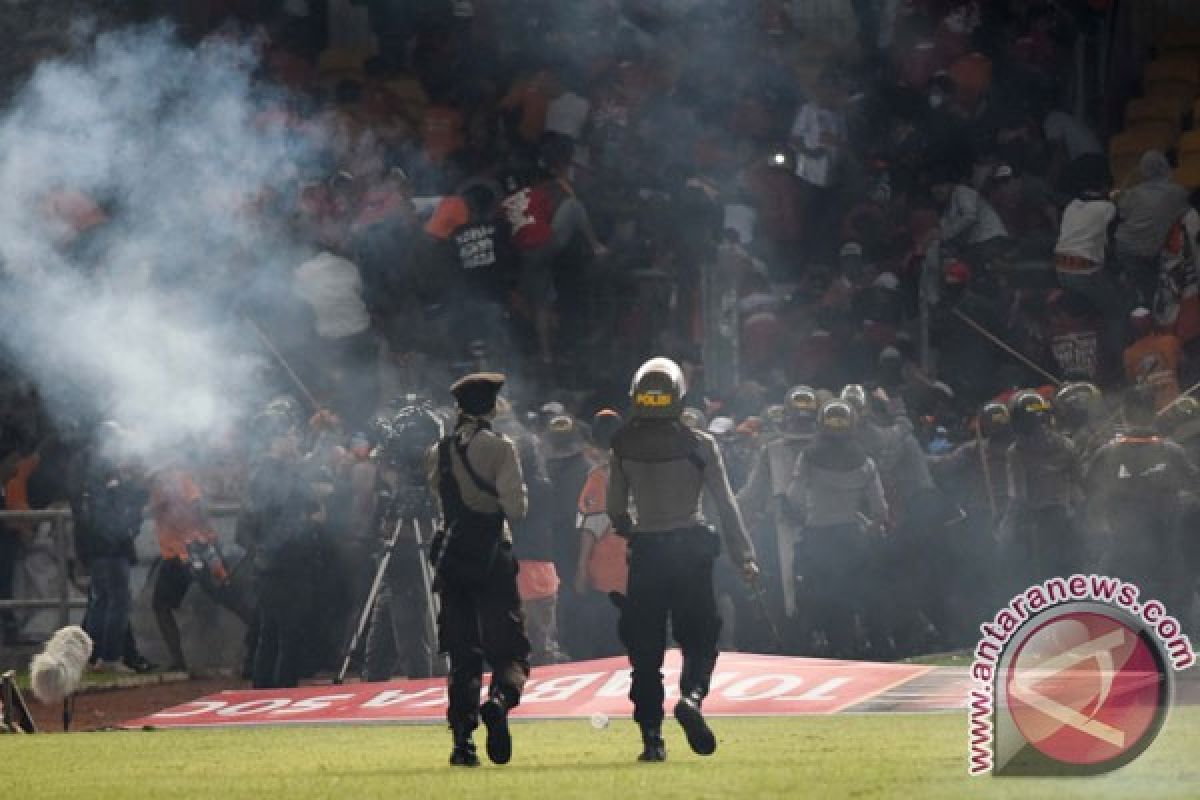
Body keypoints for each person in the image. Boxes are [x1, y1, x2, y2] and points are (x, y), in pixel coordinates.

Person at [607, 357, 758, 763]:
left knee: (644, 650)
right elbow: (727, 506)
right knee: (700, 638)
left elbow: (615, 508)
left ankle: (652, 739)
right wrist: (745, 557)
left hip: (647, 552)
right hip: (691, 549)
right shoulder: (701, 444)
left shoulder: (621, 445)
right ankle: (691, 698)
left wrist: (631, 527)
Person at [426, 372, 530, 768]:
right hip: (493, 557)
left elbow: (440, 498)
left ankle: (462, 742)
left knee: (461, 652)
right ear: (491, 407)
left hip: (453, 558)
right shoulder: (501, 448)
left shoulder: (438, 450)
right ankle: (500, 702)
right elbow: (517, 508)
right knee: (509, 647)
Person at [786, 400, 888, 658]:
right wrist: (870, 529)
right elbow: (880, 510)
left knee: (809, 591)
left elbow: (794, 497)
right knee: (855, 594)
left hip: (817, 537)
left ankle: (813, 638)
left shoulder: (807, 457)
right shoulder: (866, 462)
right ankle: (862, 637)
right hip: (850, 539)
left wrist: (800, 516)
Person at [1086, 386, 1197, 610]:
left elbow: (1088, 490)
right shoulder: (1172, 451)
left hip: (1124, 548)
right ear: (1154, 412)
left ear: (1124, 413)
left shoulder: (1105, 453)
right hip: (1164, 550)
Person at [237, 406, 321, 690]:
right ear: (276, 439)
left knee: (271, 633)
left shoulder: (264, 471)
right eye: (290, 434)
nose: (295, 439)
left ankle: (265, 692)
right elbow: (297, 512)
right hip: (283, 564)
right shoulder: (274, 473)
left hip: (271, 562)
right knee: (285, 634)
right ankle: (281, 691)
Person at [149, 456, 252, 673]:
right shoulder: (166, 480)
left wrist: (202, 535)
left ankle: (261, 643)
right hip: (185, 551)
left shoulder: (174, 479)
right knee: (228, 598)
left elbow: (197, 506)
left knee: (229, 597)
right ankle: (179, 662)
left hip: (188, 550)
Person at [361, 403, 441, 682]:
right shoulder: (394, 482)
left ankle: (420, 686)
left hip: (410, 554)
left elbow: (431, 522)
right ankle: (373, 683)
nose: (383, 467)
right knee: (381, 634)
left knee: (410, 629)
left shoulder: (432, 475)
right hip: (393, 556)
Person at [737, 386, 818, 636]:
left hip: (816, 529)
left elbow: (751, 495)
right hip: (784, 527)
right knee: (767, 575)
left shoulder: (823, 447)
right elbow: (751, 494)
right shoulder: (772, 450)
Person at [71, 421, 148, 674]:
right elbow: (114, 510)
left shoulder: (88, 468)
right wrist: (124, 531)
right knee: (116, 601)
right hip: (110, 547)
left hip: (98, 547)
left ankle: (89, 658)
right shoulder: (105, 470)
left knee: (100, 601)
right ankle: (110, 657)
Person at [1003, 390, 1083, 588]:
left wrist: (1005, 528)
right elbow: (1079, 483)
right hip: (1068, 520)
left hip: (1036, 528)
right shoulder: (1067, 444)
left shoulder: (1016, 452)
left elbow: (1018, 497)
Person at [1124, 307, 1183, 411]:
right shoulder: (1170, 341)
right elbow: (1183, 365)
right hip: (1171, 405)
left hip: (1155, 408)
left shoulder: (1129, 354)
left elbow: (1132, 381)